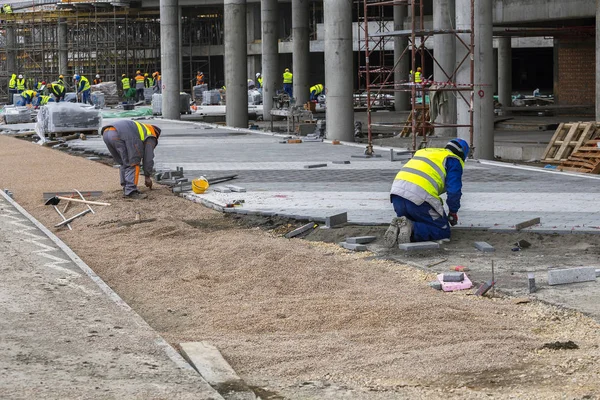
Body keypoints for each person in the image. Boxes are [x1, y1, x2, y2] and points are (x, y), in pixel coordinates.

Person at [384, 138, 470, 246]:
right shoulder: (453, 160)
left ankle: (400, 228)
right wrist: (453, 212)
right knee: (442, 230)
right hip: (419, 199)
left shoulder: (427, 152)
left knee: (412, 219)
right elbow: (454, 192)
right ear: (462, 155)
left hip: (397, 195)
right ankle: (412, 229)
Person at [101, 120, 161, 199]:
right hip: (120, 134)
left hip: (106, 133)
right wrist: (147, 176)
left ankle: (126, 187)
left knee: (124, 162)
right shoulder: (151, 135)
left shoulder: (142, 128)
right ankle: (131, 191)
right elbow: (148, 158)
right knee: (133, 163)